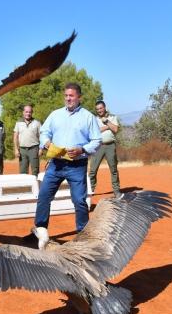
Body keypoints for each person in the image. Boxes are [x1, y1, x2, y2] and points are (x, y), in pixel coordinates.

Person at [34, 82, 102, 234]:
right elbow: (44, 132)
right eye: (66, 96)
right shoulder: (55, 114)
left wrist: (82, 149)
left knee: (79, 200)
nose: (68, 99)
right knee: (44, 196)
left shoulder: (88, 117)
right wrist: (47, 143)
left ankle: (83, 235)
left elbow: (97, 140)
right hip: (55, 165)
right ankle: (40, 231)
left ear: (79, 97)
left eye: (71, 96)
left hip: (77, 166)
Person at [89, 100, 123, 198]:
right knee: (92, 170)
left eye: (101, 108)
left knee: (113, 169)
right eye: (97, 109)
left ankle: (116, 191)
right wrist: (108, 126)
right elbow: (94, 132)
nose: (99, 110)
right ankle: (90, 190)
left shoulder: (112, 117)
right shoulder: (94, 119)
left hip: (110, 146)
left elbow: (116, 129)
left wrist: (107, 121)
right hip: (98, 146)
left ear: (105, 108)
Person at [13, 104, 41, 175]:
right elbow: (15, 137)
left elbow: (42, 136)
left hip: (34, 149)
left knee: (35, 170)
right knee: (23, 171)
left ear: (32, 113)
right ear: (23, 112)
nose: (28, 113)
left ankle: (36, 185)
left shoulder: (37, 123)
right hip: (22, 150)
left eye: (29, 112)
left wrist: (41, 149)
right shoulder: (18, 123)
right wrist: (16, 149)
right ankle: (24, 186)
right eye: (26, 112)